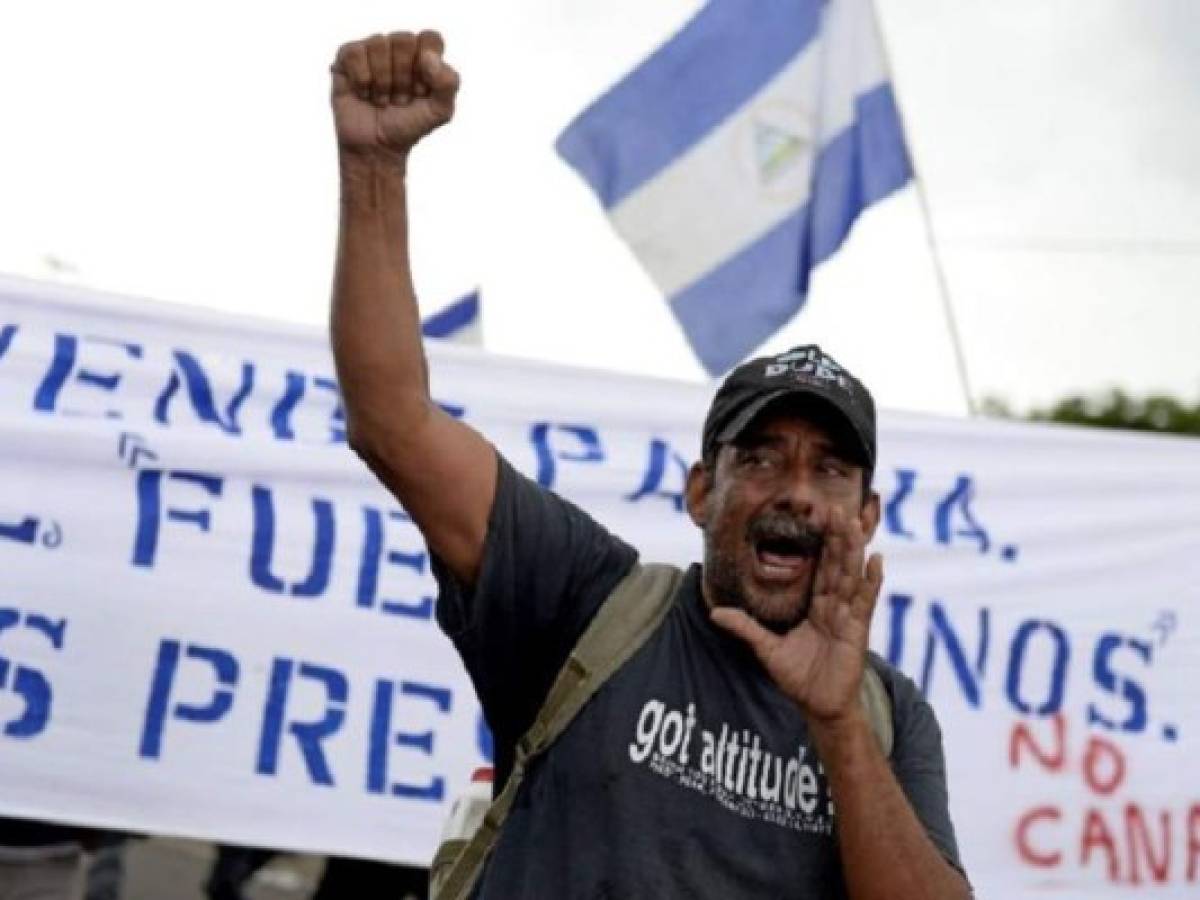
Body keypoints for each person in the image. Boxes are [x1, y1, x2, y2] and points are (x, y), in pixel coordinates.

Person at [328, 30, 972, 899]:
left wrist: (837, 727)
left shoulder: (889, 718)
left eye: (830, 471)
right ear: (702, 490)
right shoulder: (584, 598)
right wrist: (374, 169)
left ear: (866, 519)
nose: (795, 493)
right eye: (763, 457)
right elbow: (394, 423)